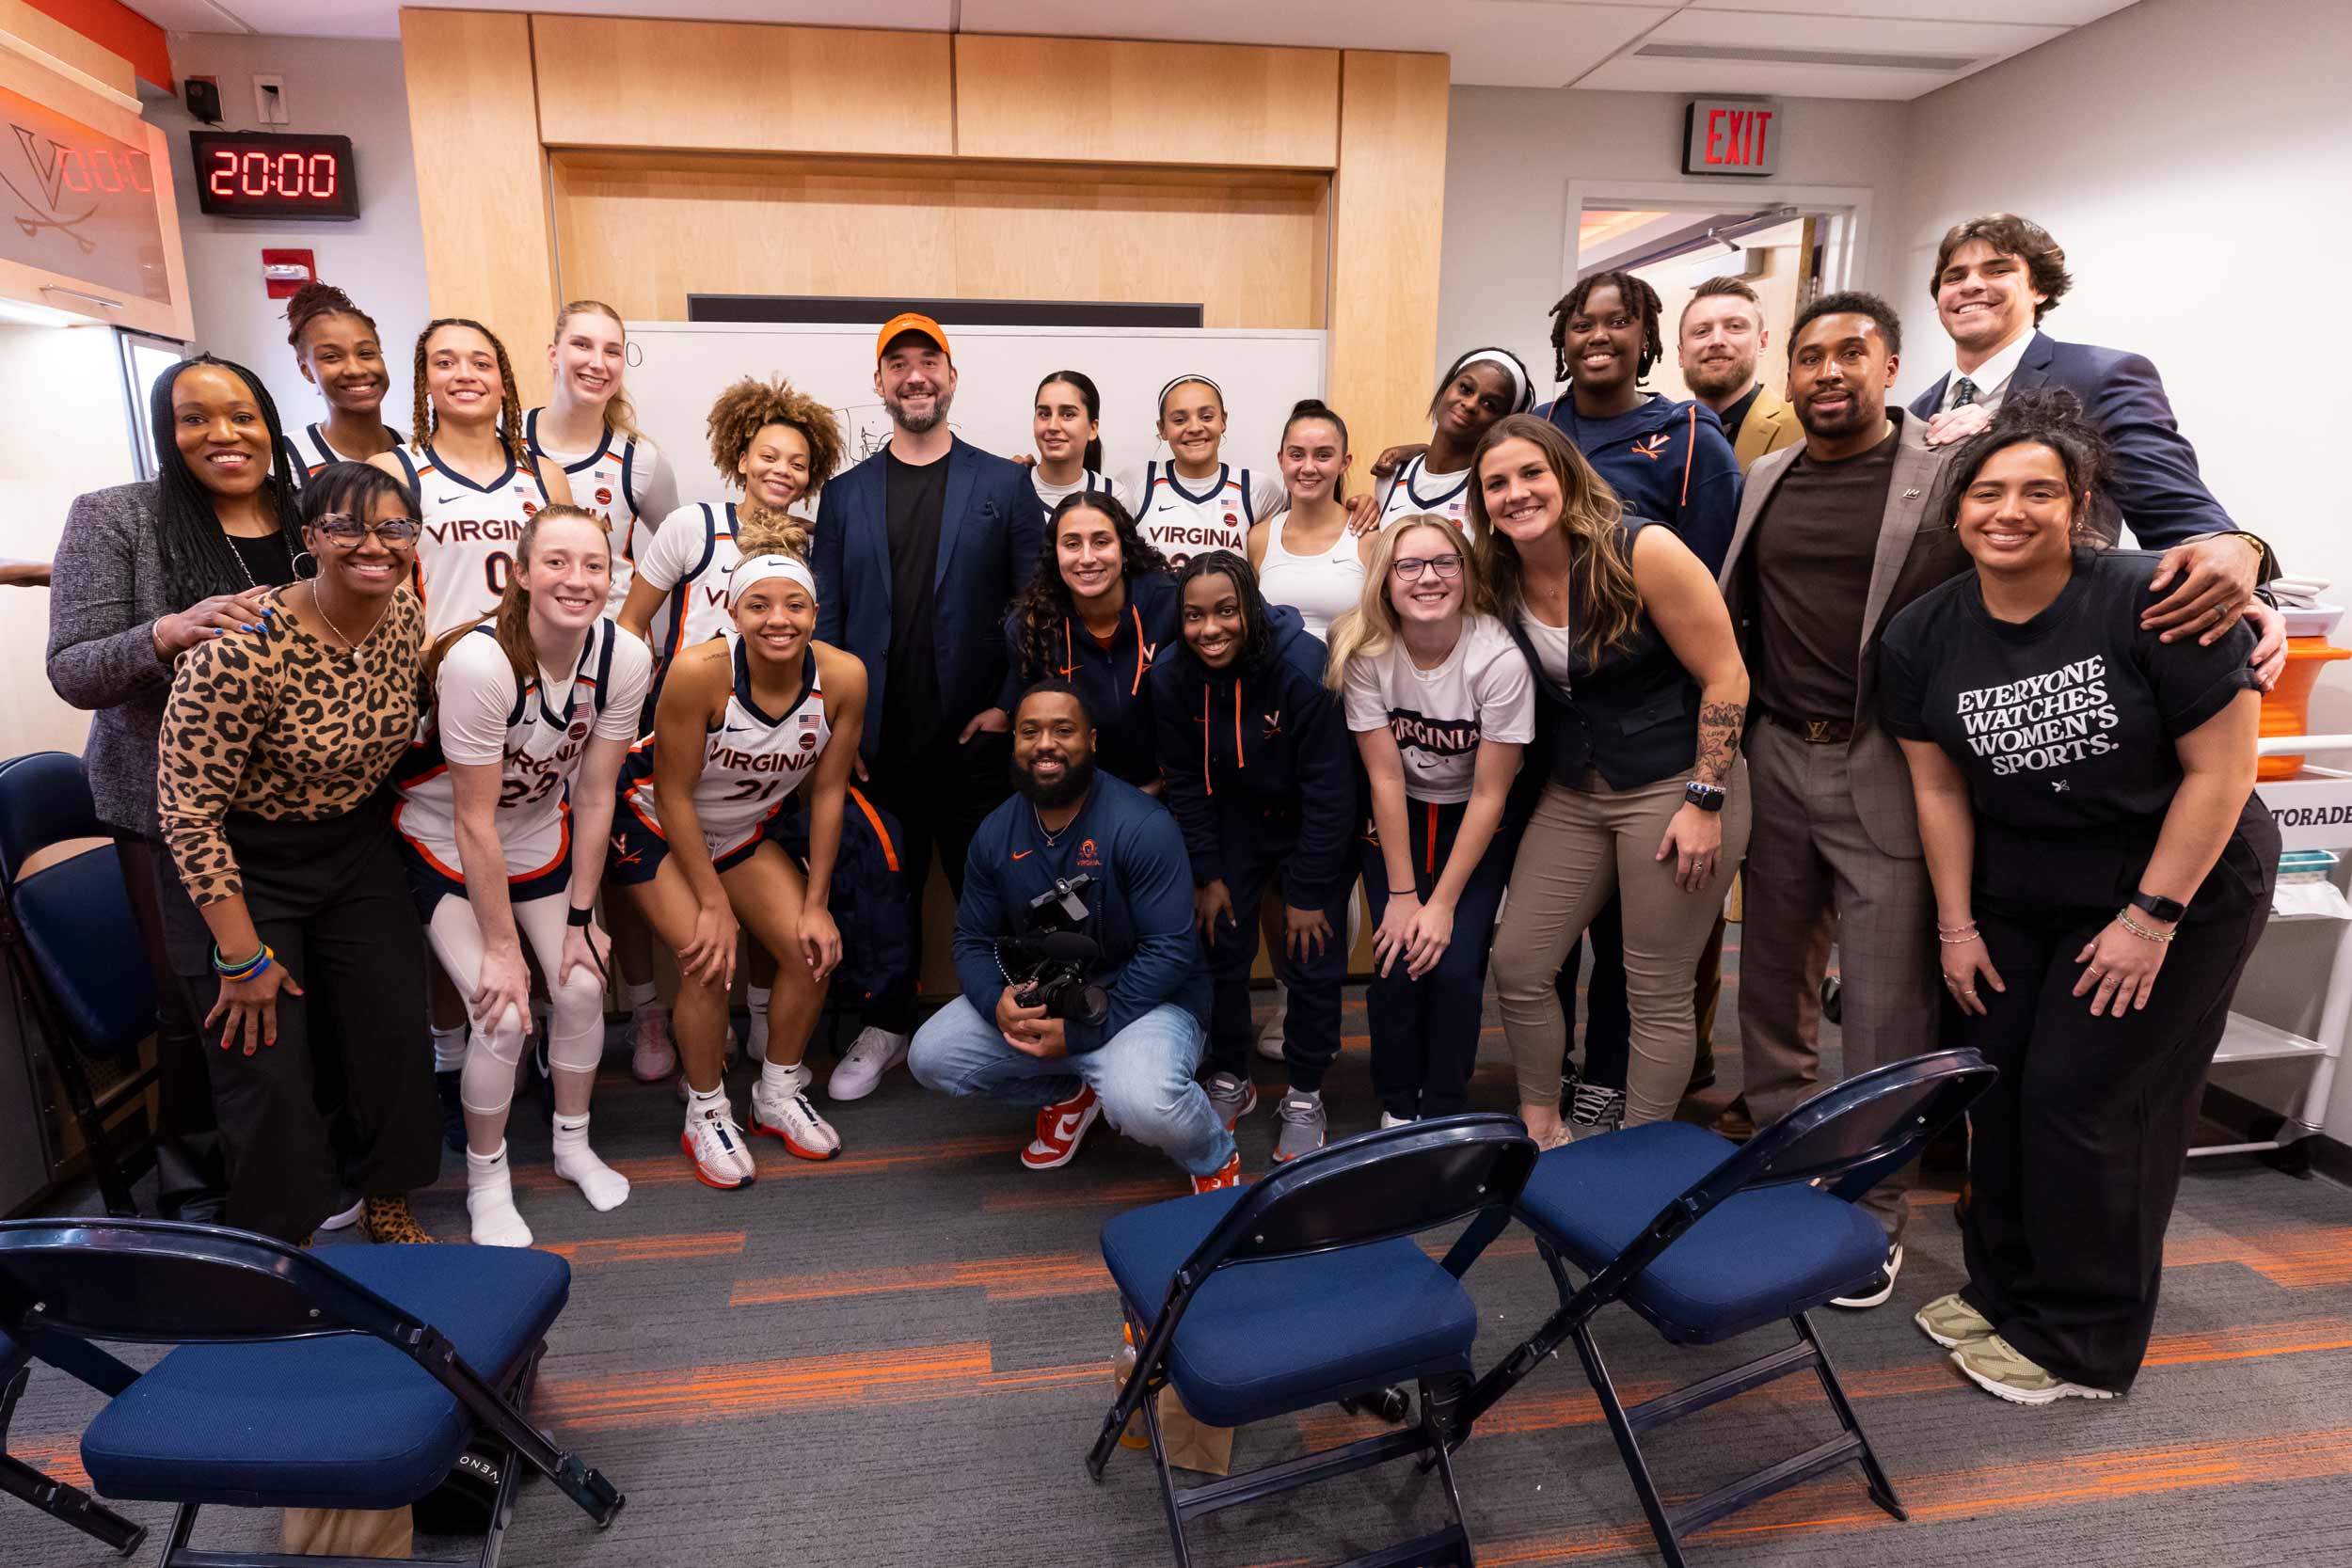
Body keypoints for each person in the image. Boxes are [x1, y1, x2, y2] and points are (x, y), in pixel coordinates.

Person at [1881, 390, 2276, 1404]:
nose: (2008, 511)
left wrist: (2151, 918)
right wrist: (1956, 923)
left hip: (2177, 876)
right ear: (1956, 506)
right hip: (2023, 878)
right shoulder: (1923, 633)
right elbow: (1935, 786)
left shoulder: (2156, 597)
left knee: (2090, 1099)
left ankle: (2084, 1340)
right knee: (2001, 1085)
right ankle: (2006, 1290)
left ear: (2080, 503)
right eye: (1987, 491)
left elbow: (2222, 775)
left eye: (2038, 492)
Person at [152, 461, 438, 1245]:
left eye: (393, 527)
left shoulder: (403, 614)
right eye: (346, 527)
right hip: (246, 859)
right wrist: (240, 956)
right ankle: (282, 1233)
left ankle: (389, 1191)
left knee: (390, 1026)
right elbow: (186, 811)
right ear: (309, 537)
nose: (373, 545)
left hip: (353, 843)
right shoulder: (240, 650)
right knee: (263, 1044)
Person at [46, 355, 303, 1222]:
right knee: (203, 996)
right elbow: (74, 670)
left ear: (270, 418)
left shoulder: (308, 514)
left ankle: (297, 1164)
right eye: (195, 418)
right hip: (170, 809)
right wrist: (164, 634)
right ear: (167, 430)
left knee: (294, 989)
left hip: (301, 806)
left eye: (241, 414)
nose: (222, 433)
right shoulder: (117, 517)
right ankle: (198, 1187)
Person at [1477, 416, 1750, 1148]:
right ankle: (1541, 1125)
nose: (1517, 493)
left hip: (1678, 783)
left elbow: (1726, 675)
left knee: (1654, 987)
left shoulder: (1643, 547)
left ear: (1565, 473)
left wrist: (1706, 796)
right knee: (1522, 960)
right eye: (1497, 482)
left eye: (1531, 473)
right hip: (1577, 789)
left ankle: (1640, 1150)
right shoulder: (1498, 573)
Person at [394, 505, 646, 1246]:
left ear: (611, 575)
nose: (577, 579)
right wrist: (504, 949)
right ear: (524, 574)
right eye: (558, 563)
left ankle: (572, 1144)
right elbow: (474, 819)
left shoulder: (623, 657)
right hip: (446, 837)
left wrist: (580, 917)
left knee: (583, 983)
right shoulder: (481, 662)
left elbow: (596, 791)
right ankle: (486, 1177)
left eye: (593, 565)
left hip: (537, 834)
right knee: (500, 1011)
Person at [811, 312, 1044, 1088]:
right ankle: (885, 1025)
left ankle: (1012, 1020)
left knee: (994, 884)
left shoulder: (1006, 483)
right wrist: (842, 730)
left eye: (929, 361)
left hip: (976, 736)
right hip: (878, 740)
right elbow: (831, 618)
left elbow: (1033, 603)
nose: (915, 375)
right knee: (884, 892)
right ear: (879, 384)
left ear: (951, 377)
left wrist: (1011, 703)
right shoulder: (843, 497)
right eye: (898, 363)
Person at [1909, 214, 2280, 673]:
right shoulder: (1916, 413)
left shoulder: (2100, 376)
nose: (1969, 285)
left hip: (2060, 655)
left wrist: (2246, 585)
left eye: (1997, 270)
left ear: (2039, 289)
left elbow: (2174, 508)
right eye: (1954, 276)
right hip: (1938, 654)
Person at [907, 682, 1236, 1192]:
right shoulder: (995, 833)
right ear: (1013, 741)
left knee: (1145, 1104)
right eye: (1030, 731)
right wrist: (997, 1002)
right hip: (1054, 995)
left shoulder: (1141, 825)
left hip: (1148, 1003)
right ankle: (1075, 1090)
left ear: (1092, 741)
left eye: (1064, 730)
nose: (1045, 744)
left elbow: (1170, 952)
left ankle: (1212, 1156)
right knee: (931, 1057)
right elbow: (971, 941)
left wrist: (1082, 1033)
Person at [614, 546, 864, 1186]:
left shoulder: (844, 677)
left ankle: (775, 1095)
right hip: (654, 826)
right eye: (759, 604)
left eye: (795, 605)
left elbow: (829, 792)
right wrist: (715, 904)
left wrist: (815, 902)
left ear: (815, 612)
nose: (778, 619)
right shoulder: (700, 671)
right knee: (709, 954)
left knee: (811, 949)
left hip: (738, 831)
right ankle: (706, 1109)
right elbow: (671, 794)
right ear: (732, 610)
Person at [620, 376, 845, 1083]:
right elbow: (632, 624)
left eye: (798, 463)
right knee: (706, 948)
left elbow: (815, 651)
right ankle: (694, 1070)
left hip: (761, 751)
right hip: (684, 739)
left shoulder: (812, 543)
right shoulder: (693, 525)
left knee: (778, 921)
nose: (782, 471)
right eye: (769, 456)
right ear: (741, 455)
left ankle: (766, 1044)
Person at [1152, 551, 1353, 1162]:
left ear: (1251, 609)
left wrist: (1310, 893)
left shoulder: (1302, 667)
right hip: (1232, 815)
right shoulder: (1170, 675)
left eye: (1225, 611)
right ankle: (1231, 1076)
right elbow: (1184, 780)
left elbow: (1331, 787)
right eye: (1193, 615)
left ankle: (1305, 1090)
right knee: (1221, 947)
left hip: (1305, 819)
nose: (1209, 628)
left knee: (1311, 951)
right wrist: (1207, 873)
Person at [1328, 516, 1530, 1125]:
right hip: (1401, 815)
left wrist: (1439, 904)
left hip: (1476, 817)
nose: (1428, 578)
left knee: (1455, 966)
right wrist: (1403, 893)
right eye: (1408, 565)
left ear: (1467, 574)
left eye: (1445, 562)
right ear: (1385, 580)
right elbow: (1386, 778)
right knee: (1394, 957)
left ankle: (1443, 1109)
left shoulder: (1498, 659)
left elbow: (1493, 792)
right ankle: (1397, 1106)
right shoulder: (1365, 652)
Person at [370, 317, 575, 641]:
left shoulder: (546, 477)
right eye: (445, 363)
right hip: (438, 670)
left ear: (503, 383)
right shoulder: (394, 471)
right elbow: (385, 594)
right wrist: (435, 662)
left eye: (481, 363)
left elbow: (569, 583)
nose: (465, 375)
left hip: (538, 669)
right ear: (424, 381)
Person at [995, 492, 1174, 790]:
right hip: (1081, 796)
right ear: (1055, 554)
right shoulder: (1031, 627)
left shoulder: (1169, 602)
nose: (1087, 558)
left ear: (1125, 549)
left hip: (1174, 789)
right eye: (1072, 544)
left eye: (1102, 542)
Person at [524, 300, 680, 615]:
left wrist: (632, 624)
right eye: (582, 345)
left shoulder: (640, 459)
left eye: (611, 351)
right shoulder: (504, 438)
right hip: (516, 643)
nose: (597, 363)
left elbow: (683, 554)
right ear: (554, 354)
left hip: (609, 649)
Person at [1120, 374, 1286, 568]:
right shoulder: (1136, 483)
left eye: (1207, 417)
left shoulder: (1258, 489)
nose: (1195, 428)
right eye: (1180, 420)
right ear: (1162, 428)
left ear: (1223, 421)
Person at [1249, 399, 1375, 643]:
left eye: (1323, 455)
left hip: (1347, 679)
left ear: (1344, 463)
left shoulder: (1368, 537)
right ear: (1281, 459)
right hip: (1277, 680)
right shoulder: (1258, 539)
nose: (1308, 467)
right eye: (1297, 455)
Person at [1372, 348, 1535, 534]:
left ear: (1500, 422)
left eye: (1490, 405)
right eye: (1465, 389)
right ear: (1447, 387)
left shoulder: (1492, 490)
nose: (1471, 404)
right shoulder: (1392, 473)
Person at [280, 280, 402, 479]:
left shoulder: (417, 453)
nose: (355, 369)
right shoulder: (286, 460)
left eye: (365, 353)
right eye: (331, 357)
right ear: (306, 370)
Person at [1678, 276, 1799, 470]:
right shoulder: (1661, 435)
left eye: (1735, 327)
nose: (1717, 341)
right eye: (1701, 331)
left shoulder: (1803, 430)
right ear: (1681, 353)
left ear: (1762, 342)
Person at [1029, 370, 1134, 516]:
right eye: (1044, 414)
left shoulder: (1114, 496)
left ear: (1092, 428)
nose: (1052, 426)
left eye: (1068, 415)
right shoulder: (1007, 488)